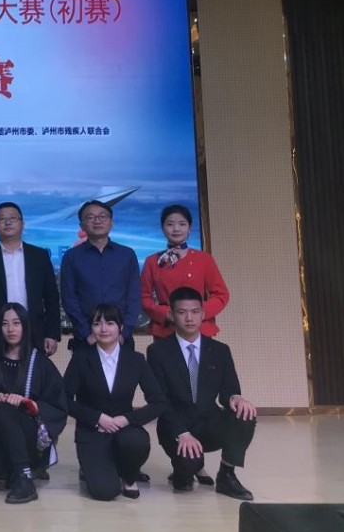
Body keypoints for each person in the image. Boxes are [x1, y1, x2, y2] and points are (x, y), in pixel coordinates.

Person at [146, 287, 256, 500]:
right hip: (177, 427)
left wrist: (236, 397)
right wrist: (182, 433)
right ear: (172, 314)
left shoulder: (220, 350)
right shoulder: (158, 352)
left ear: (203, 314)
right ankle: (184, 470)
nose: (189, 318)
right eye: (182, 312)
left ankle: (227, 475)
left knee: (245, 415)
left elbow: (229, 391)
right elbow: (160, 401)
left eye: (195, 312)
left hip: (209, 423)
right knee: (185, 480)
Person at [63, 304, 166, 501]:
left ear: (121, 327)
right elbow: (63, 399)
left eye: (110, 323)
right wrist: (97, 418)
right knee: (104, 492)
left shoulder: (136, 360)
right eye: (97, 324)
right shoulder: (80, 359)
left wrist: (126, 419)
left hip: (125, 429)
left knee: (136, 441)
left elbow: (158, 402)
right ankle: (102, 468)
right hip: (92, 431)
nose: (103, 329)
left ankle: (129, 476)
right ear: (91, 328)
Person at [0, 303, 68, 504]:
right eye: (5, 324)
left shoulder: (40, 362)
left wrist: (29, 403)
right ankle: (16, 471)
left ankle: (24, 477)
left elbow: (58, 405)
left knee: (3, 408)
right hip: (1, 435)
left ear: (25, 326)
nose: (11, 329)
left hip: (33, 439)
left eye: (16, 323)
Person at [0, 202, 61, 356]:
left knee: (34, 371)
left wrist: (52, 333)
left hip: (35, 331)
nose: (8, 222)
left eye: (13, 218)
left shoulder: (39, 256)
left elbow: (51, 296)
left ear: (22, 224)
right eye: (2, 219)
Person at [59, 201, 141, 351]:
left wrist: (124, 333)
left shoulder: (127, 255)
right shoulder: (71, 257)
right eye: (90, 217)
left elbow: (134, 296)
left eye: (102, 216)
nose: (97, 221)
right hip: (86, 340)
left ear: (111, 223)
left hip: (121, 339)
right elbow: (69, 298)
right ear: (82, 225)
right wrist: (87, 333)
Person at [140, 204, 230, 339]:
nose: (176, 229)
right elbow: (143, 297)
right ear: (162, 228)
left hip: (200, 330)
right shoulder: (153, 261)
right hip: (166, 330)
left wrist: (197, 313)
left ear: (189, 228)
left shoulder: (204, 259)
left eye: (182, 224)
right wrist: (166, 313)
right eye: (170, 224)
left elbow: (221, 294)